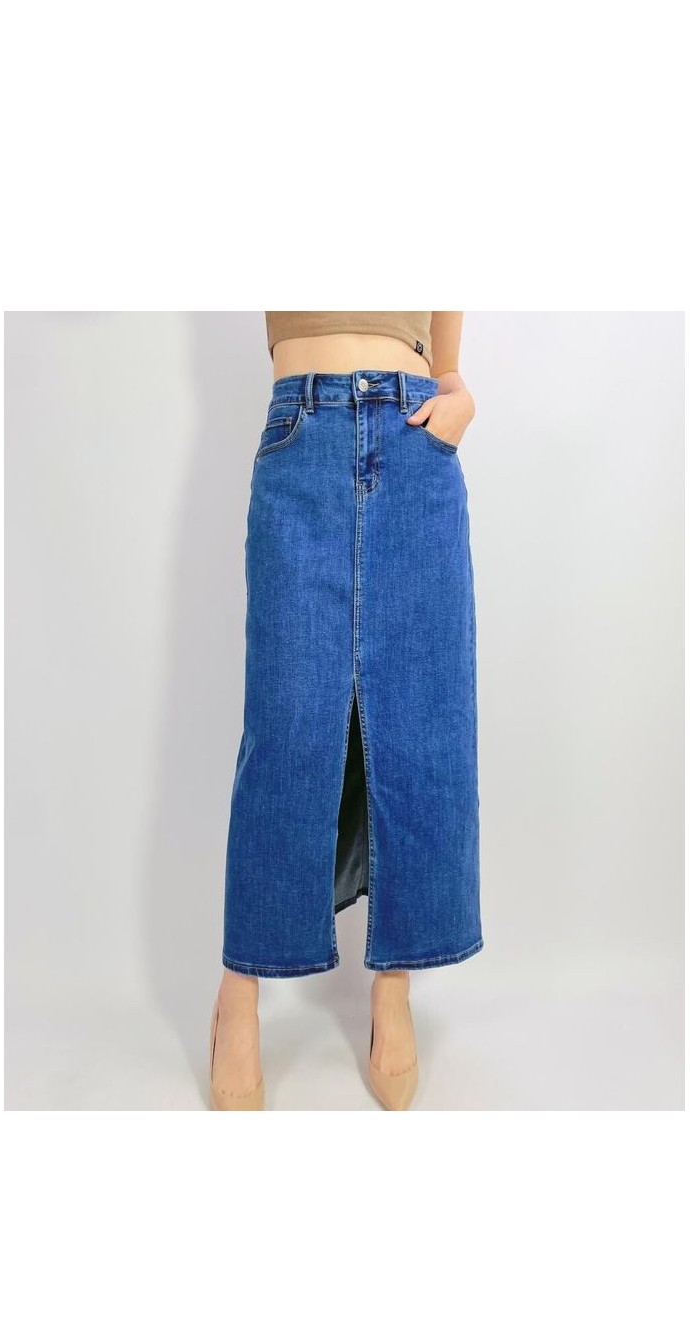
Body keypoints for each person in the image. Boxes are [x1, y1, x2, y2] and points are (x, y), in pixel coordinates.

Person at [208, 312, 483, 1109]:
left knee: (420, 721)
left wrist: (457, 390)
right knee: (288, 726)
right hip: (302, 431)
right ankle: (237, 996)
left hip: (415, 435)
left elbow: (444, 301)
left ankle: (393, 985)